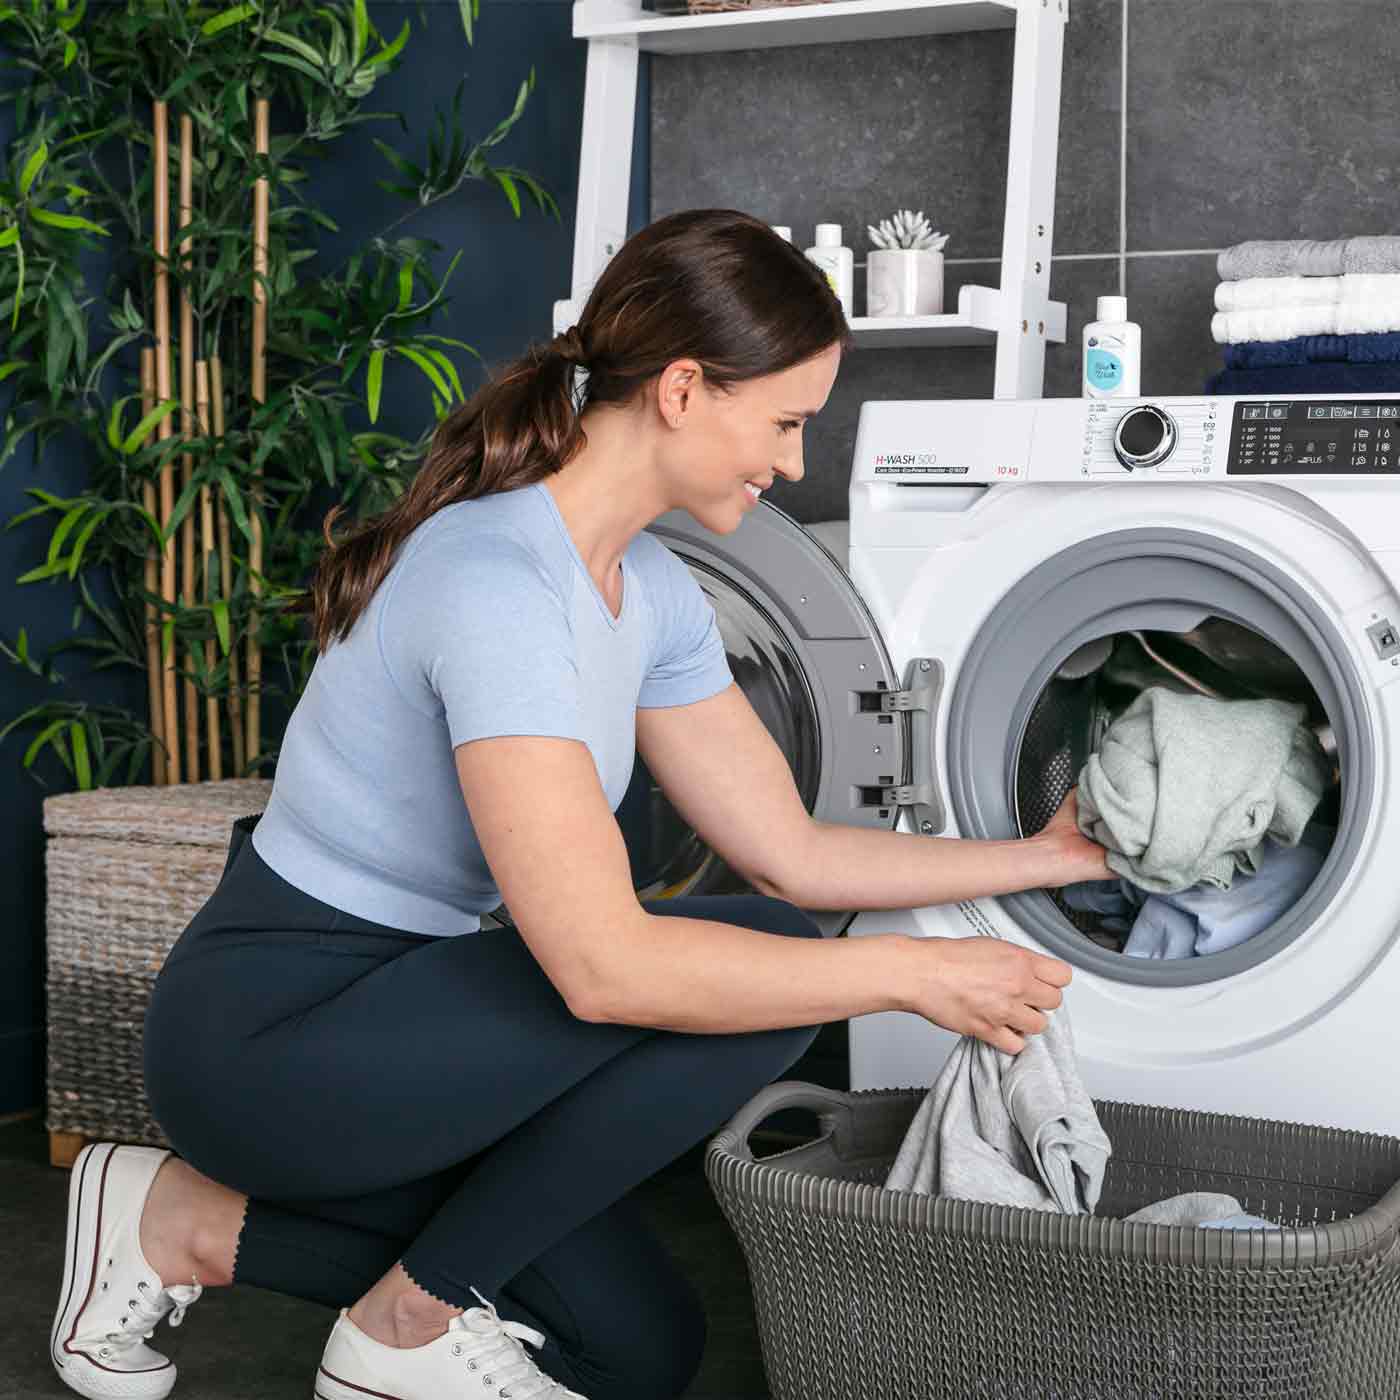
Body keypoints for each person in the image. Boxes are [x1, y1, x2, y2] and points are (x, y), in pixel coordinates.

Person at [49, 209, 1109, 1400]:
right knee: (762, 972)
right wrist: (911, 976)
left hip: (431, 1025)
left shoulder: (646, 590)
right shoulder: (498, 582)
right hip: (281, 1041)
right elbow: (604, 971)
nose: (795, 463)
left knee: (640, 1347)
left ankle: (177, 1217)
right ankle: (407, 1317)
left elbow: (791, 852)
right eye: (786, 423)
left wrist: (1037, 855)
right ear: (682, 388)